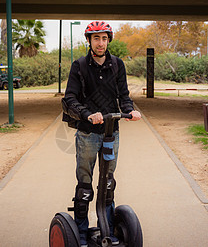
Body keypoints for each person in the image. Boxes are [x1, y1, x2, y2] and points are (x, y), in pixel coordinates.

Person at [62, 21, 141, 246]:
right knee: (85, 183)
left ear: (109, 40)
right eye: (96, 38)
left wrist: (130, 111)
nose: (100, 43)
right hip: (88, 133)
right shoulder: (79, 66)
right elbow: (70, 99)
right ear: (89, 41)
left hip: (111, 133)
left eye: (104, 38)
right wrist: (88, 114)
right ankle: (82, 232)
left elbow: (124, 96)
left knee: (107, 183)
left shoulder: (117, 65)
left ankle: (108, 230)